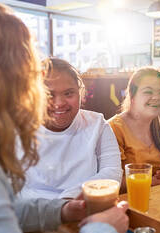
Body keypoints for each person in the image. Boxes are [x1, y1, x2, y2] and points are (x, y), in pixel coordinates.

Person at [0, 2, 128, 233]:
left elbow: (3, 208)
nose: (28, 98)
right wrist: (102, 232)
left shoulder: (96, 123)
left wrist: (61, 210)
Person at [19, 58, 122, 199]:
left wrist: (70, 198)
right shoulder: (18, 129)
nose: (59, 103)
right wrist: (56, 210)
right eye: (49, 95)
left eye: (68, 93)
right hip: (33, 215)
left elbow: (112, 173)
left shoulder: (97, 124)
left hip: (83, 206)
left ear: (80, 93)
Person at [108, 67, 160, 192]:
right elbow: (109, 182)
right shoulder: (114, 128)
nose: (156, 97)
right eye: (148, 91)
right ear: (132, 95)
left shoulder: (155, 125)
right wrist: (151, 182)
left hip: (157, 200)